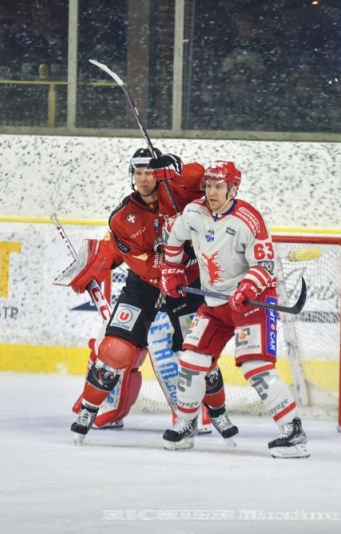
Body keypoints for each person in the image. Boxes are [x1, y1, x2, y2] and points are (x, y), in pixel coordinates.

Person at [57, 149, 238, 445]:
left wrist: (177, 170)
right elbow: (138, 263)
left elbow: (200, 175)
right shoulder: (122, 217)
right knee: (115, 350)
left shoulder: (181, 193)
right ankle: (89, 411)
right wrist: (92, 265)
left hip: (187, 283)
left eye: (150, 173)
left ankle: (216, 412)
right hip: (145, 284)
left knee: (199, 354)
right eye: (138, 173)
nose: (143, 179)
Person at [158, 160, 310, 459]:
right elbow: (173, 238)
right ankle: (186, 424)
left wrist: (247, 288)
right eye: (208, 185)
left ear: (233, 190)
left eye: (219, 186)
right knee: (190, 360)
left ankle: (293, 431)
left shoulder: (248, 220)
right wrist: (171, 270)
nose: (211, 192)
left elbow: (264, 264)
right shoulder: (194, 213)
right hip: (215, 303)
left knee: (256, 368)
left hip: (251, 302)